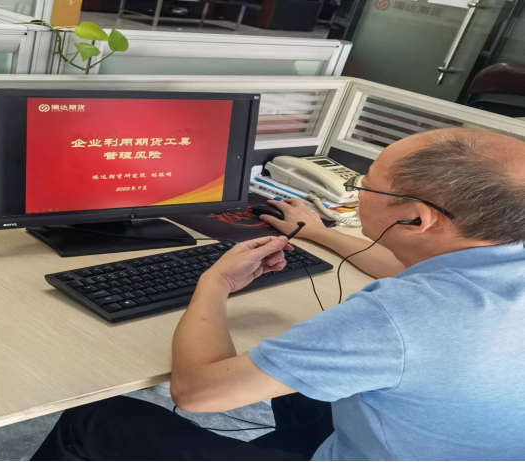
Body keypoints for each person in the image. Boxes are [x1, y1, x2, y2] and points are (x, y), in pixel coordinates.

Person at [33, 128, 525, 461]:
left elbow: (198, 394)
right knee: (303, 386)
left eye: (364, 186)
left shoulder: (397, 318)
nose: (355, 195)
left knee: (97, 419)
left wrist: (214, 283)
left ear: (417, 218)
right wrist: (317, 231)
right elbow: (405, 265)